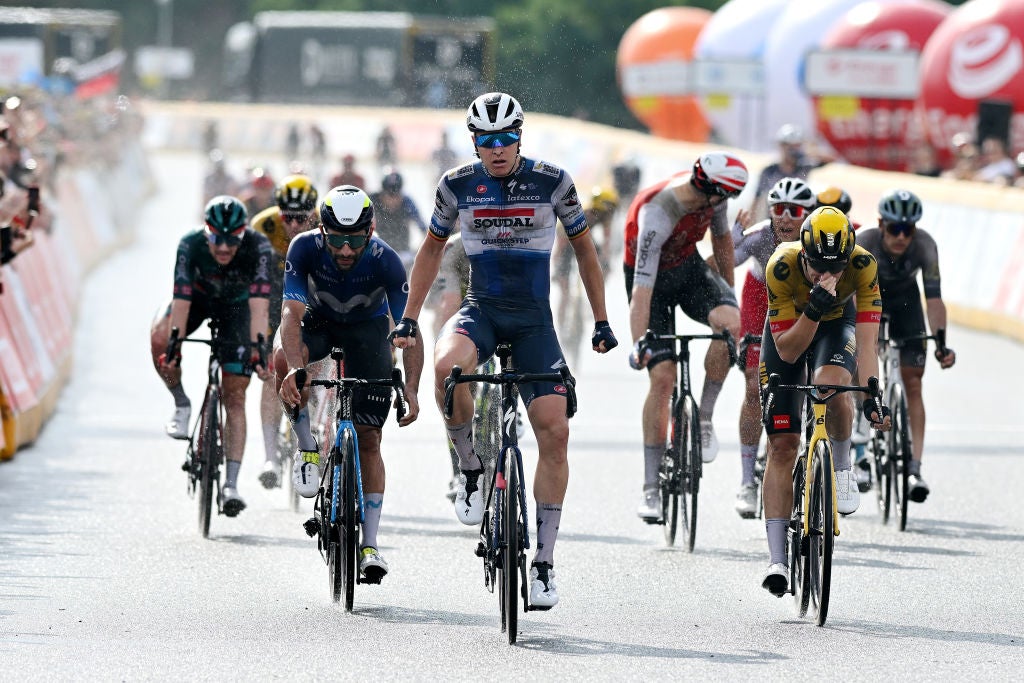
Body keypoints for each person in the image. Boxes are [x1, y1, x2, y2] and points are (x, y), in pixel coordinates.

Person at [390, 92, 617, 609]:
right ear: (474, 142)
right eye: (486, 140)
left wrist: (602, 320)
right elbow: (429, 250)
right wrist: (407, 318)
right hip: (482, 310)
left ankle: (544, 564)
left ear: (520, 136)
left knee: (555, 431)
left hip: (534, 319)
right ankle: (470, 468)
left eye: (506, 139)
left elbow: (584, 249)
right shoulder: (455, 185)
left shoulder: (553, 181)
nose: (497, 149)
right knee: (448, 369)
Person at [276, 186, 422, 583]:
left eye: (354, 240)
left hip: (368, 332)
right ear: (322, 231)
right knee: (281, 357)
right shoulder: (304, 248)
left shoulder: (386, 261)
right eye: (336, 240)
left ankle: (370, 545)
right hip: (318, 323)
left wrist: (411, 388)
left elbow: (408, 330)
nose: (344, 251)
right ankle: (307, 449)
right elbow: (290, 315)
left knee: (370, 438)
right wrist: (294, 368)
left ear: (369, 231)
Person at [759, 206, 890, 597]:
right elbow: (787, 350)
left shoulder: (863, 266)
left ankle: (843, 467)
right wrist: (814, 304)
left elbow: (867, 343)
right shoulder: (781, 266)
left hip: (838, 328)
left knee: (831, 385)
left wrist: (870, 394)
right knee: (782, 446)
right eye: (816, 265)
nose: (826, 275)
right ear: (803, 253)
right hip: (791, 332)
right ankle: (777, 561)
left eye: (835, 267)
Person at [625, 151, 746, 521]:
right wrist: (639, 344)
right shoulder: (658, 213)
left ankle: (704, 417)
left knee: (731, 324)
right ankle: (649, 488)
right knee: (663, 379)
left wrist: (728, 294)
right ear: (713, 190)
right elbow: (641, 293)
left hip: (687, 269)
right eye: (728, 195)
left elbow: (723, 242)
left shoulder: (714, 198)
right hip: (651, 283)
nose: (728, 202)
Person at [150, 195, 273, 517]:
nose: (223, 248)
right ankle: (181, 404)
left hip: (238, 311)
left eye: (232, 241)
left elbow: (260, 307)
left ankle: (231, 484)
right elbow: (181, 299)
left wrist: (259, 350)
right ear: (206, 232)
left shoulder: (258, 246)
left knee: (235, 395)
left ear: (243, 234)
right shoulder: (190, 244)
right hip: (198, 302)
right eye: (217, 239)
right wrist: (174, 346)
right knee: (161, 337)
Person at [855, 189, 956, 502]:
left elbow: (934, 299)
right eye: (895, 228)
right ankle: (860, 454)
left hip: (906, 305)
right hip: (868, 300)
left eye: (907, 229)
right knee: (863, 376)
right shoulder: (864, 243)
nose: (901, 236)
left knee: (913, 382)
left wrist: (940, 342)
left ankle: (914, 467)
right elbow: (850, 295)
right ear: (881, 224)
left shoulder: (925, 246)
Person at [726, 177, 816, 518]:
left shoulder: (816, 237)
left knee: (808, 380)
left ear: (808, 213)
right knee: (753, 385)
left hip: (799, 300)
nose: (785, 218)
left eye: (794, 211)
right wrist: (730, 240)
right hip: (758, 297)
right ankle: (747, 481)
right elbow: (722, 263)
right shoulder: (762, 234)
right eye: (779, 209)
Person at [249, 174, 320, 488]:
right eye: (287, 217)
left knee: (313, 370)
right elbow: (251, 284)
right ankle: (270, 457)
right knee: (271, 376)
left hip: (308, 296)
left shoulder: (323, 223)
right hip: (271, 296)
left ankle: (312, 427)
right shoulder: (262, 227)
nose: (293, 224)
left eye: (301, 217)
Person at [752, 124, 827, 222]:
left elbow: (829, 159)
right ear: (781, 146)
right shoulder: (769, 171)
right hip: (775, 221)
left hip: (797, 220)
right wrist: (749, 224)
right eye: (789, 146)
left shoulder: (804, 167)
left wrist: (808, 151)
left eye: (796, 146)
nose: (792, 150)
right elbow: (757, 199)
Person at [369, 170, 427, 270]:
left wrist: (418, 252)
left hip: (403, 254)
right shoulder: (371, 201)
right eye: (389, 195)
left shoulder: (407, 202)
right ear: (382, 193)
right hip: (375, 252)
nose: (393, 199)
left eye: (396, 195)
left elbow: (424, 230)